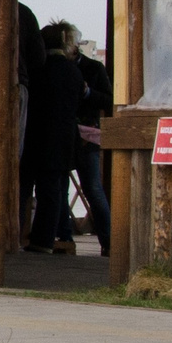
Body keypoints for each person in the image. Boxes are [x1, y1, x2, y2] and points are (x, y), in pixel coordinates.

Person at [24, 20, 86, 253]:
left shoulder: (38, 69)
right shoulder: (73, 72)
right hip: (63, 137)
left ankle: (27, 237)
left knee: (28, 188)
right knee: (53, 190)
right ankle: (47, 237)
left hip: (35, 134)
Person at [68, 27, 115, 248]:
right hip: (65, 133)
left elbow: (108, 100)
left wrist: (87, 93)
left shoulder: (94, 68)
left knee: (92, 188)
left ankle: (109, 241)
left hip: (87, 134)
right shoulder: (58, 66)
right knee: (56, 185)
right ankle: (64, 238)